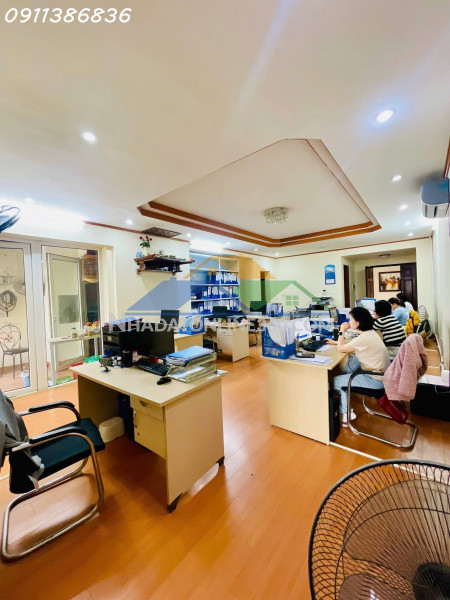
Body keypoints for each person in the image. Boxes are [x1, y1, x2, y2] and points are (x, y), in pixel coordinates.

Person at [327, 307, 390, 425]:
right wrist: (336, 342)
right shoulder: (370, 334)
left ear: (358, 323)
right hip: (381, 375)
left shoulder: (364, 338)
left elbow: (341, 349)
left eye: (351, 319)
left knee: (336, 381)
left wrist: (341, 331)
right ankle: (346, 389)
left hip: (375, 380)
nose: (349, 322)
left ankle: (345, 414)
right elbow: (354, 344)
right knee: (354, 359)